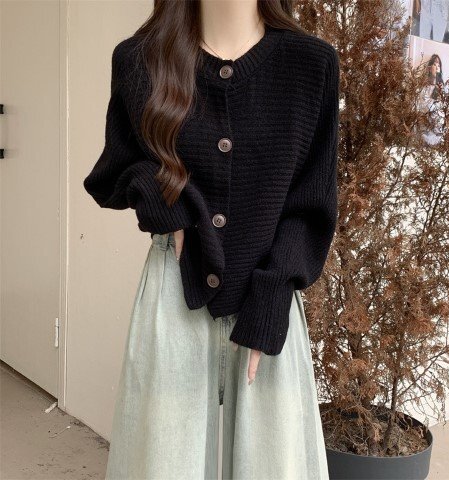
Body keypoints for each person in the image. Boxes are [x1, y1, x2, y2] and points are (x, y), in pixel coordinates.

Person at [83, 0, 339, 478]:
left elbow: (312, 202)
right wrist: (159, 190)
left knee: (274, 466)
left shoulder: (311, 64)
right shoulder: (140, 59)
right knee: (162, 465)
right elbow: (112, 171)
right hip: (173, 294)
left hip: (269, 298)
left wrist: (275, 292)